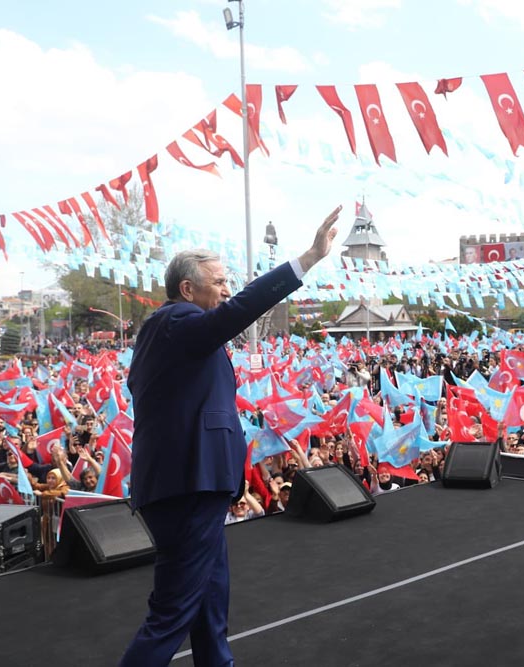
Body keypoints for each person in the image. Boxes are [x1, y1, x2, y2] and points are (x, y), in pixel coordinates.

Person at [120, 205, 341, 667]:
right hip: (188, 485)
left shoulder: (178, 335)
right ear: (187, 289)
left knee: (209, 606)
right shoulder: (175, 323)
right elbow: (237, 312)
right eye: (218, 281)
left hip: (195, 484)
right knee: (174, 611)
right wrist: (307, 259)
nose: (227, 289)